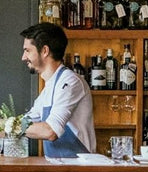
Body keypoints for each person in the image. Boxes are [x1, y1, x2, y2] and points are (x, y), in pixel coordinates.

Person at [19, 22, 96, 158]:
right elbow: (23, 123)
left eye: (27, 50)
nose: (23, 57)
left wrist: (8, 126)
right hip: (59, 168)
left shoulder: (70, 82)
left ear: (44, 51)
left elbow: (50, 131)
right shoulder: (49, 88)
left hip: (78, 170)